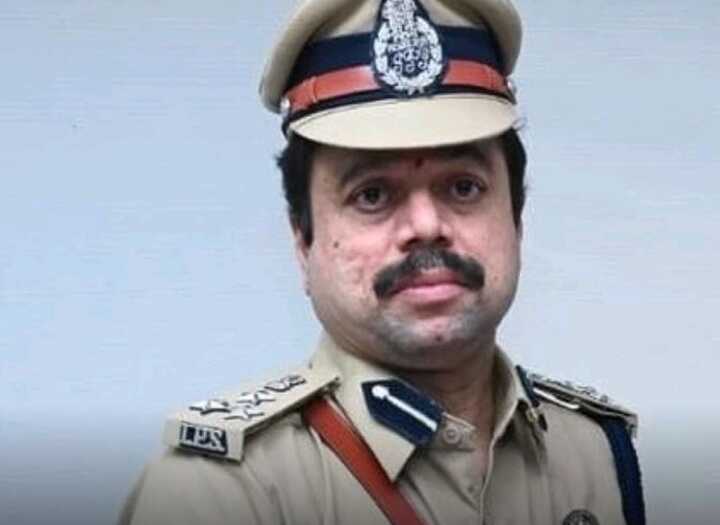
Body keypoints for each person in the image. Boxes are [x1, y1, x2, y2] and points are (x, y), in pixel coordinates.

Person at [120, 0, 645, 524]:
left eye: (464, 187)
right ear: (302, 241)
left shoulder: (594, 452)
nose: (426, 225)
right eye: (372, 195)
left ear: (517, 219)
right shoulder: (222, 490)